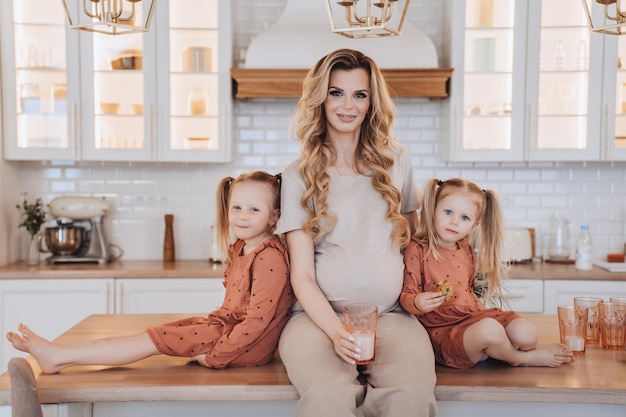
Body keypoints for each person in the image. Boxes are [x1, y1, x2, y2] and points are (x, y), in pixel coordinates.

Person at [276, 48, 437, 417]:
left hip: (392, 315)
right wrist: (336, 332)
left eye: (359, 94)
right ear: (320, 98)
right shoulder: (298, 175)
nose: (347, 105)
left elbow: (411, 244)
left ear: (370, 103)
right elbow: (301, 274)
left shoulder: (397, 162)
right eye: (336, 92)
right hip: (316, 320)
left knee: (412, 394)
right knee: (328, 397)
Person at [6, 171, 296, 374]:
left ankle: (57, 357)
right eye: (237, 207)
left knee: (148, 342)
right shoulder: (243, 247)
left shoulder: (269, 258)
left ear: (274, 216)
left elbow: (257, 323)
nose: (242, 216)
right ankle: (59, 355)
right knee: (150, 336)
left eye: (254, 210)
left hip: (243, 348)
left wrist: (215, 357)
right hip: (227, 332)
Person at [400, 177, 574, 368]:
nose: (454, 221)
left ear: (474, 225)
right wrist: (417, 302)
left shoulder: (465, 248)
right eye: (448, 212)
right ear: (433, 209)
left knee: (527, 334)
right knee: (490, 330)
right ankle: (520, 359)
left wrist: (481, 308)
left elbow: (468, 291)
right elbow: (407, 295)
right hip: (443, 331)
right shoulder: (417, 249)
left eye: (464, 217)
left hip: (472, 318)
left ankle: (495, 349)